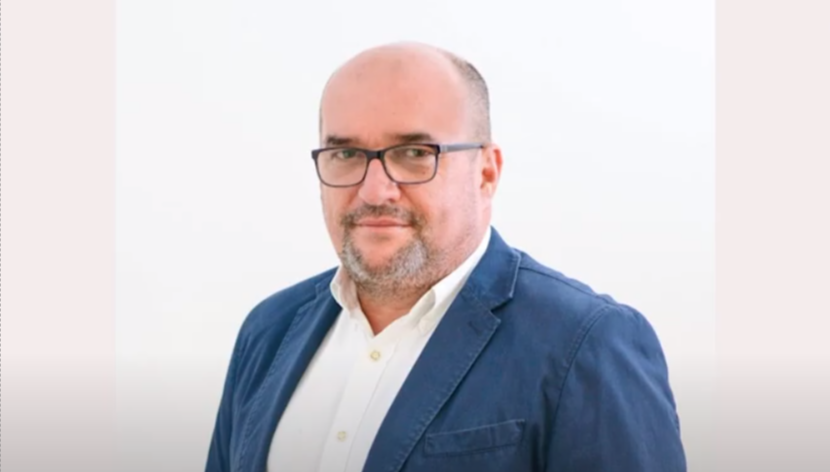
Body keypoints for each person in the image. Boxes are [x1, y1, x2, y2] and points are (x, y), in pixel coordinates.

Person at [205, 41, 686, 472]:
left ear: (486, 172)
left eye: (414, 153)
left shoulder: (586, 344)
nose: (374, 190)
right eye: (346, 155)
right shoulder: (268, 331)